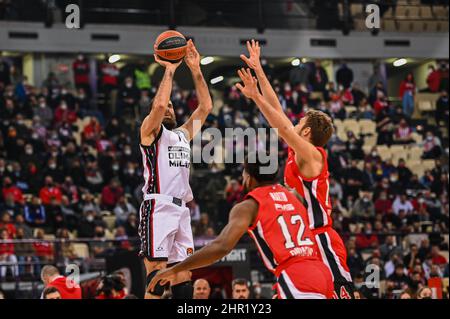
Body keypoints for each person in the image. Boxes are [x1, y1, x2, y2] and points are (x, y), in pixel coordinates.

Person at [237, 40, 353, 299]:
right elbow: (277, 110)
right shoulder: (297, 150)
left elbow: (283, 127)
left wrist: (255, 95)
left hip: (322, 239)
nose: (295, 123)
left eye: (300, 122)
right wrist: (259, 70)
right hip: (306, 245)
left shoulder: (313, 155)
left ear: (307, 131)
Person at [149, 155, 333, 299]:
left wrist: (175, 269)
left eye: (244, 174)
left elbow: (221, 247)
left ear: (249, 177)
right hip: (321, 271)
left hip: (296, 275)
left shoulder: (249, 205)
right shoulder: (294, 196)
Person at [139, 39, 213, 299]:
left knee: (183, 274)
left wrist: (195, 69)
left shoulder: (182, 134)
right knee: (157, 275)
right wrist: (169, 69)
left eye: (172, 106)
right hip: (157, 207)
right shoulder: (149, 133)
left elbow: (205, 108)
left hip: (181, 208)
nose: (168, 107)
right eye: (165, 106)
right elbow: (158, 105)